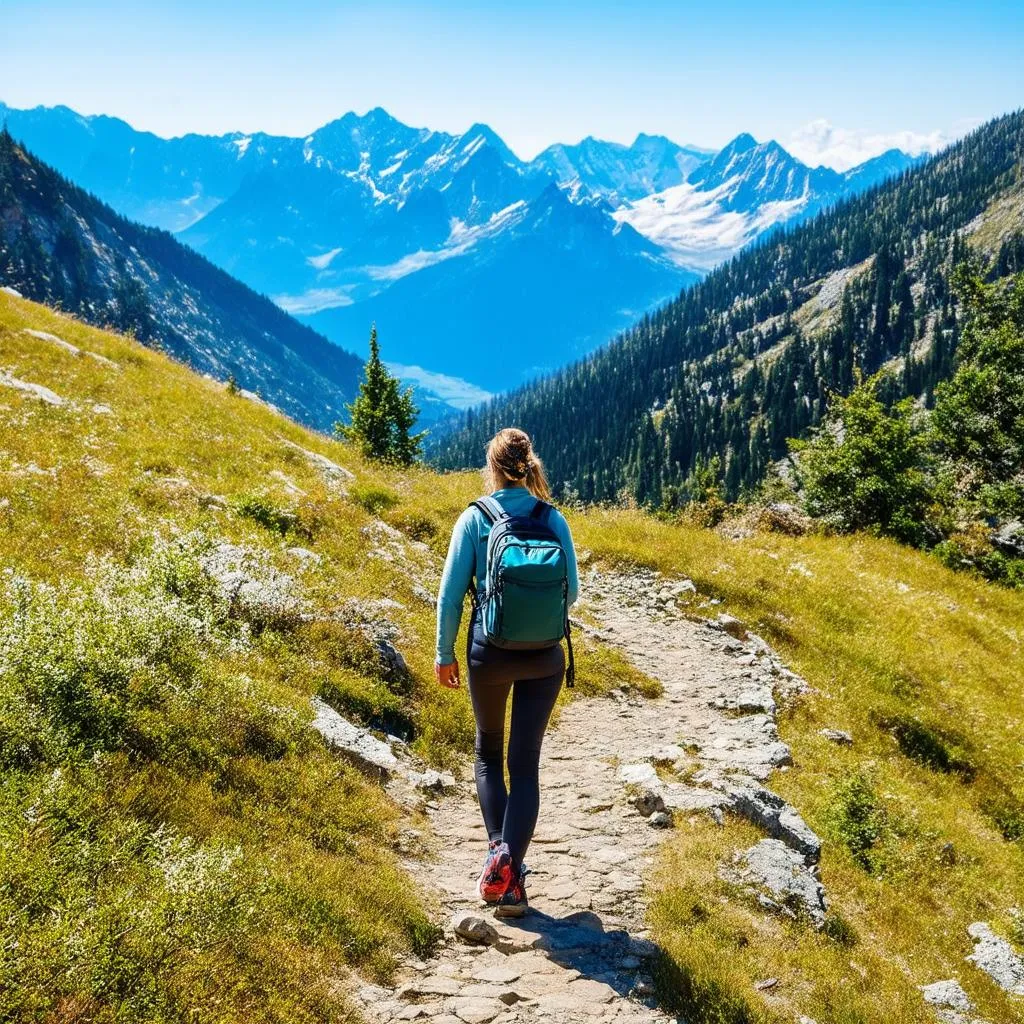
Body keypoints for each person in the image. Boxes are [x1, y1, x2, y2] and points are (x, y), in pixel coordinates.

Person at [435, 428, 579, 917]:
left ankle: (497, 855)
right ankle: (512, 873)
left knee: (487, 752)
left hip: (488, 653)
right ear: (528, 466)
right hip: (544, 656)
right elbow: (573, 593)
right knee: (526, 763)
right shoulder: (552, 518)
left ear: (491, 467)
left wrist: (443, 654)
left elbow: (451, 595)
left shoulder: (474, 519)